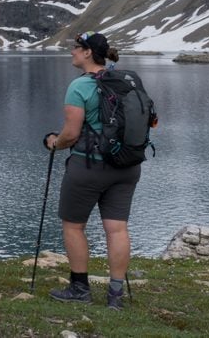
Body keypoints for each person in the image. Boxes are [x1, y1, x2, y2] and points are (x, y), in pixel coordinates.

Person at [44, 30, 138, 309]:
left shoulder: (80, 86)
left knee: (73, 226)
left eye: (77, 47)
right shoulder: (125, 81)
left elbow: (71, 134)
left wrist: (53, 143)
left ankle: (80, 289)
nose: (72, 51)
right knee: (117, 229)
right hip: (127, 165)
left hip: (89, 166)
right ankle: (115, 297)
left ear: (87, 53)